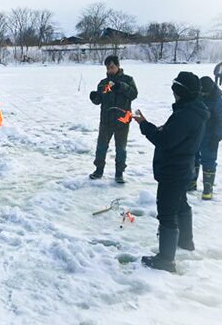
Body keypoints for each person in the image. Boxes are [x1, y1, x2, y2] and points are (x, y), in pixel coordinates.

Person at [134, 71, 209, 272]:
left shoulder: (186, 115)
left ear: (181, 92)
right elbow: (174, 136)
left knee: (167, 213)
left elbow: (164, 141)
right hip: (184, 168)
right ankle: (186, 241)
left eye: (175, 91)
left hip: (174, 170)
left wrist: (144, 124)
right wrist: (160, 129)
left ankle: (166, 260)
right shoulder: (195, 109)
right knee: (181, 204)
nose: (173, 95)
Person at [89, 55, 138, 183]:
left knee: (121, 149)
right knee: (101, 147)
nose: (110, 70)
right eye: (107, 67)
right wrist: (94, 97)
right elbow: (99, 100)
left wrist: (121, 86)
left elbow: (133, 94)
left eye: (112, 67)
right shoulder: (103, 83)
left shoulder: (128, 80)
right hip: (106, 121)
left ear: (118, 66)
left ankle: (119, 173)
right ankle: (98, 170)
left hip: (122, 121)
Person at [189, 76, 222, 200]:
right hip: (196, 132)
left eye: (204, 92)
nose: (202, 94)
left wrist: (217, 137)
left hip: (210, 135)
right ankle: (192, 182)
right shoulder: (197, 95)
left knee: (208, 160)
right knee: (193, 157)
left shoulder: (218, 101)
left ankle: (208, 189)